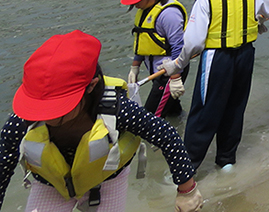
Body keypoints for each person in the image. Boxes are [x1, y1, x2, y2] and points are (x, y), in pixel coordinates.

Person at [0, 30, 203, 211]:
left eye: (56, 107)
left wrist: (187, 190)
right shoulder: (25, 117)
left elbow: (166, 135)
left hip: (107, 178)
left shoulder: (115, 108)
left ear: (91, 87)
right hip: (51, 183)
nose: (44, 114)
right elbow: (3, 164)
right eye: (39, 106)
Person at [161, 0, 269, 171]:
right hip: (246, 55)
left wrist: (177, 65)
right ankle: (226, 162)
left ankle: (187, 170)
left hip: (217, 59)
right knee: (235, 107)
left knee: (203, 112)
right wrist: (258, 18)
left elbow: (194, 42)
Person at [121, 0, 189, 118]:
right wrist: (135, 67)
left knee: (150, 119)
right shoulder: (145, 9)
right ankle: (180, 128)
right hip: (157, 72)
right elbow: (142, 40)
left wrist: (175, 77)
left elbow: (179, 46)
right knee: (172, 112)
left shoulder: (169, 14)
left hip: (169, 73)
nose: (135, 4)